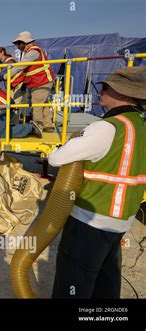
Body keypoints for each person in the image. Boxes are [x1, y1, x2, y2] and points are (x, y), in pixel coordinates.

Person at [48, 67, 146, 298]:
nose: (100, 91)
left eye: (106, 87)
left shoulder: (106, 127)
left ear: (123, 94)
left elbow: (57, 158)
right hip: (122, 218)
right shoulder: (140, 124)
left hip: (91, 219)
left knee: (73, 280)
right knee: (106, 277)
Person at [0, 32, 56, 132]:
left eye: (18, 43)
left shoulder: (33, 51)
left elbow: (21, 66)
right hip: (39, 81)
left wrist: (5, 76)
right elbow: (28, 70)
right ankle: (48, 126)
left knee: (37, 104)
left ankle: (38, 127)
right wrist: (24, 83)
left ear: (25, 42)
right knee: (43, 104)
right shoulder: (30, 51)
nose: (17, 46)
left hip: (42, 81)